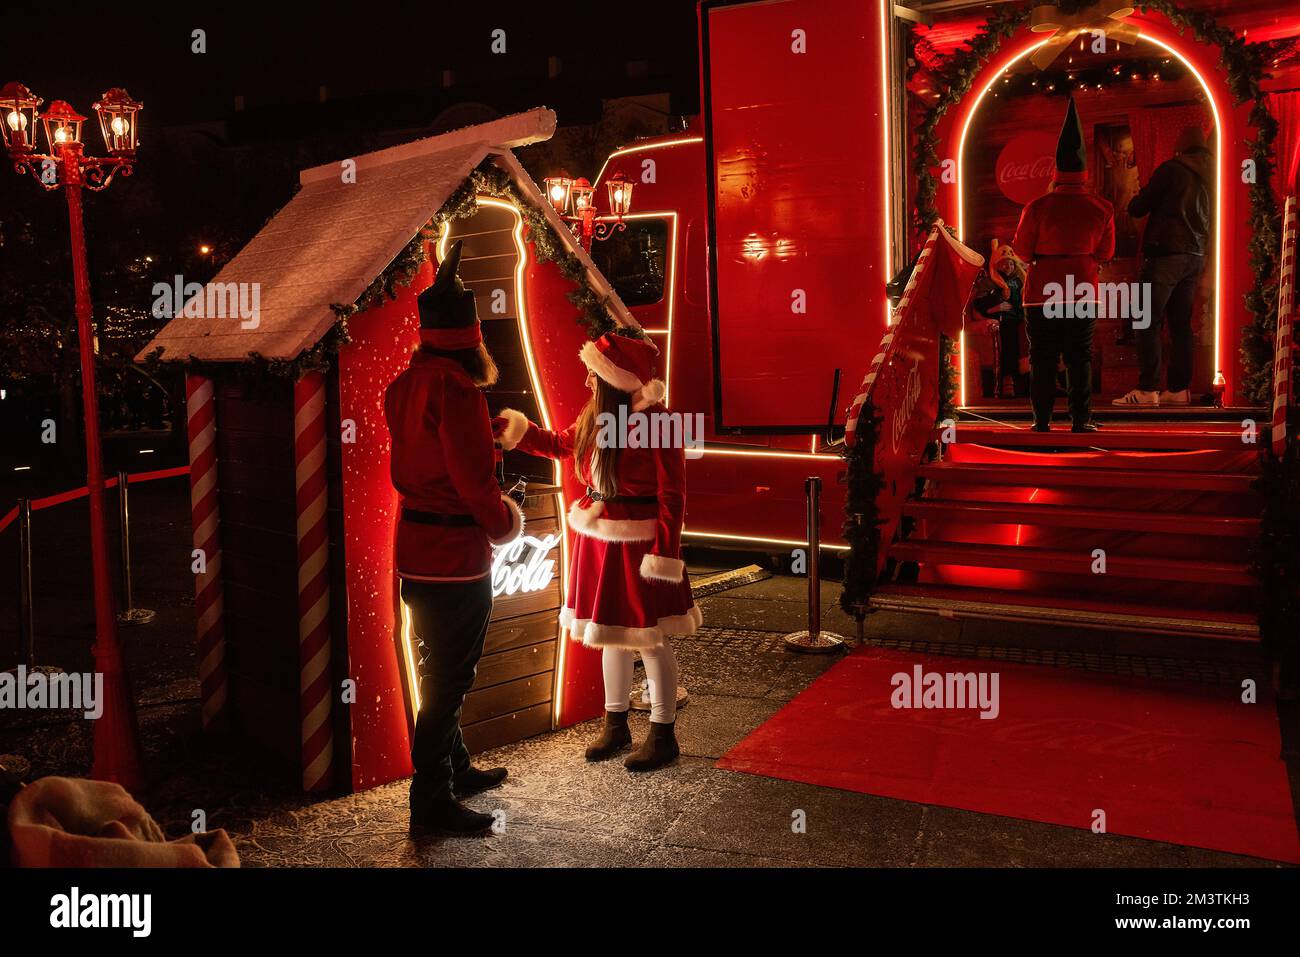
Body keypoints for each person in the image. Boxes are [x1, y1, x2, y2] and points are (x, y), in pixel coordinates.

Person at [495, 330, 700, 771]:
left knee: (650, 638)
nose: (587, 379)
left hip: (639, 544)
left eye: (594, 372)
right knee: (610, 630)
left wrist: (665, 552)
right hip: (600, 539)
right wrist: (519, 431)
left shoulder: (657, 422)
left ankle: (663, 733)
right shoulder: (595, 415)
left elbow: (673, 495)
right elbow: (558, 444)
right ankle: (616, 724)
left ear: (614, 379)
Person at [384, 240, 525, 835]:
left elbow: (434, 461)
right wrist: (507, 523)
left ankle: (457, 766)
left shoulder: (404, 384)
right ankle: (431, 800)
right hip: (458, 559)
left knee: (437, 665)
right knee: (451, 676)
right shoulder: (463, 391)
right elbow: (474, 489)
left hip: (413, 554)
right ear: (472, 338)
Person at [1013, 97, 1115, 432]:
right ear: (1085, 173)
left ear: (1056, 173)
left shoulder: (1037, 206)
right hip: (1083, 289)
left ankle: (1040, 423)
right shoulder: (1102, 208)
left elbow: (1023, 252)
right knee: (1079, 356)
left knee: (1042, 358)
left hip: (1041, 292)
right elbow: (1105, 254)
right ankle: (1080, 421)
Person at [1113, 124, 1213, 407]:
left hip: (1165, 254)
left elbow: (1137, 207)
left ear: (1180, 148)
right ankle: (1179, 390)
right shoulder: (1212, 175)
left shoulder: (1171, 169)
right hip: (1195, 256)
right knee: (1181, 326)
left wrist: (1141, 194)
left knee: (1146, 320)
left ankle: (1147, 390)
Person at [970, 238, 1029, 398]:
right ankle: (1009, 379)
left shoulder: (1018, 281)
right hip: (1004, 319)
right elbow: (980, 304)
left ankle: (1029, 378)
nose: (1008, 267)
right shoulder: (991, 282)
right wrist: (997, 306)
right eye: (1004, 264)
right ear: (997, 264)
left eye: (1010, 264)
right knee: (1009, 338)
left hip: (1019, 317)